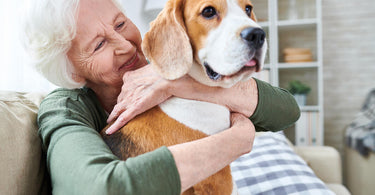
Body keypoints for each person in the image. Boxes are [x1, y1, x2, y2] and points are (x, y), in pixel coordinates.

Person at [23, 0, 300, 194]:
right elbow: (101, 188)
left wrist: (177, 84)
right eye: (99, 44)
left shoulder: (168, 63)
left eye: (120, 24)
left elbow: (287, 111)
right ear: (73, 73)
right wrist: (237, 140)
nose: (124, 45)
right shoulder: (64, 108)